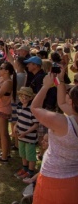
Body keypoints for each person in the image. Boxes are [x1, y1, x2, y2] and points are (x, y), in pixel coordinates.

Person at [31, 69, 78, 204]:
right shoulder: (69, 117)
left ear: (71, 101)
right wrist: (59, 81)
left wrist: (46, 86)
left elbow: (35, 108)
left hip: (53, 180)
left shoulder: (63, 122)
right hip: (74, 177)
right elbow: (62, 103)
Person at [13, 87, 38, 180]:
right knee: (22, 153)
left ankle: (31, 172)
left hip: (30, 137)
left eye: (26, 97)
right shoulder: (19, 106)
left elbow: (36, 125)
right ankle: (24, 168)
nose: (23, 98)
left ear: (30, 98)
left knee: (30, 155)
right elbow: (19, 119)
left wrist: (26, 132)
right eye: (21, 96)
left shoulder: (32, 109)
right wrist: (15, 126)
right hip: (21, 136)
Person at [0, 62, 16, 163]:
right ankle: (6, 153)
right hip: (2, 108)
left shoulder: (7, 82)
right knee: (5, 133)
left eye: (1, 68)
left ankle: (4, 157)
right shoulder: (4, 80)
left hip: (3, 108)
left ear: (7, 71)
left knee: (3, 134)